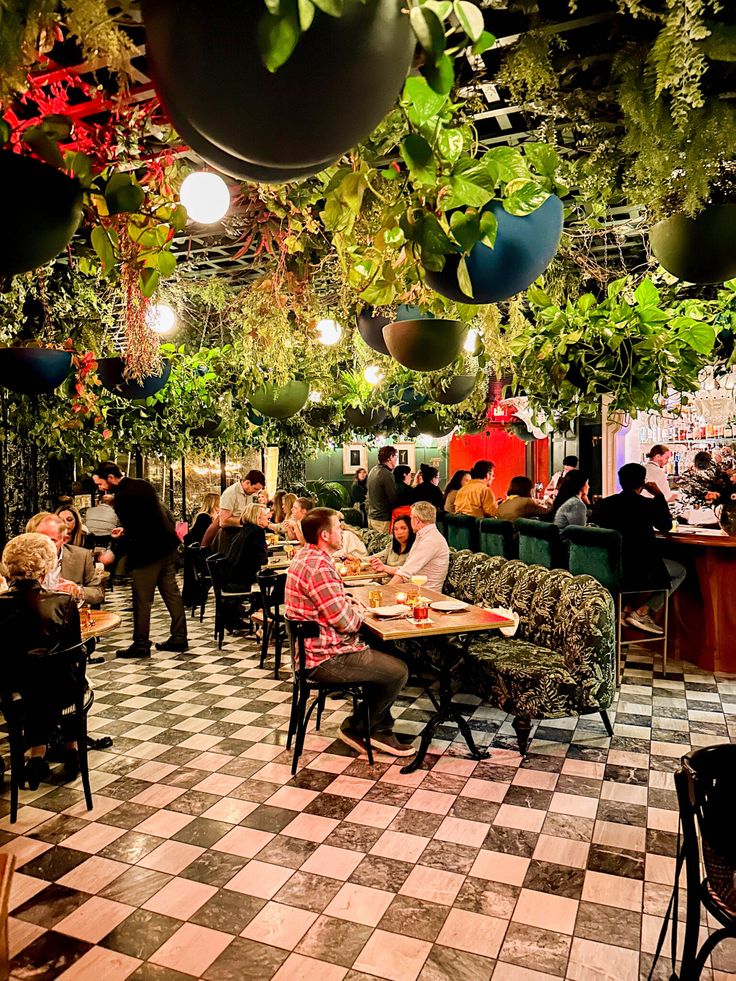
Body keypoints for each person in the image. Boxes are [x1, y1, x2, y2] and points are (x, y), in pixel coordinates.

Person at [285, 507, 413, 757]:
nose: (342, 532)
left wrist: (350, 604)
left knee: (386, 652)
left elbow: (336, 601)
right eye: (338, 528)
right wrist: (359, 612)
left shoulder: (305, 557)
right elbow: (346, 623)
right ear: (324, 535)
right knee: (398, 671)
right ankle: (361, 728)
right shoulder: (319, 567)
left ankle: (377, 728)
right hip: (325, 658)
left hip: (313, 651)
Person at [0, 533, 83, 788]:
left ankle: (37, 753)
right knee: (69, 673)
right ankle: (71, 749)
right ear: (46, 566)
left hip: (10, 693)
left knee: (34, 681)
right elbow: (73, 651)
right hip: (59, 691)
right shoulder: (63, 602)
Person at [92, 462, 188, 658]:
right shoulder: (142, 485)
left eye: (100, 483)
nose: (100, 488)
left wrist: (114, 550)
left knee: (142, 600)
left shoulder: (122, 498)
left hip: (147, 554)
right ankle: (179, 637)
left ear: (111, 478)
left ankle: (141, 644)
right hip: (167, 548)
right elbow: (149, 519)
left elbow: (137, 530)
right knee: (172, 594)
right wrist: (126, 529)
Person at [593, 462, 687, 635]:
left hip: (611, 566)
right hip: (641, 569)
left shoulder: (604, 504)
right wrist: (659, 495)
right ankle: (643, 611)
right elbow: (666, 525)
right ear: (643, 482)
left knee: (636, 567)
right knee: (680, 571)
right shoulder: (646, 505)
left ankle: (626, 609)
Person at [26, 512, 104, 606]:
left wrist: (78, 590)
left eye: (52, 541)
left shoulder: (81, 556)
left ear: (64, 539)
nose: (44, 546)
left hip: (67, 615)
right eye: (39, 540)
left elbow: (98, 594)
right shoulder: (19, 559)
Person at [370, 501, 449, 591]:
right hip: (413, 590)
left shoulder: (431, 540)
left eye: (411, 518)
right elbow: (408, 568)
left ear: (417, 520)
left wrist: (383, 592)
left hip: (425, 595)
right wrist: (384, 568)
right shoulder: (424, 536)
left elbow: (405, 573)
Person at [217, 469, 266, 553]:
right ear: (247, 482)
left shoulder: (251, 494)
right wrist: (248, 520)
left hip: (243, 535)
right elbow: (223, 521)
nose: (256, 492)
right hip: (230, 536)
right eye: (255, 489)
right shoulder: (231, 493)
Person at [366, 445, 398, 533]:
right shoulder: (387, 474)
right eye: (395, 457)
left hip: (371, 517)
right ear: (390, 457)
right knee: (383, 546)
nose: (396, 460)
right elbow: (393, 499)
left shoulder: (373, 470)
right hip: (382, 520)